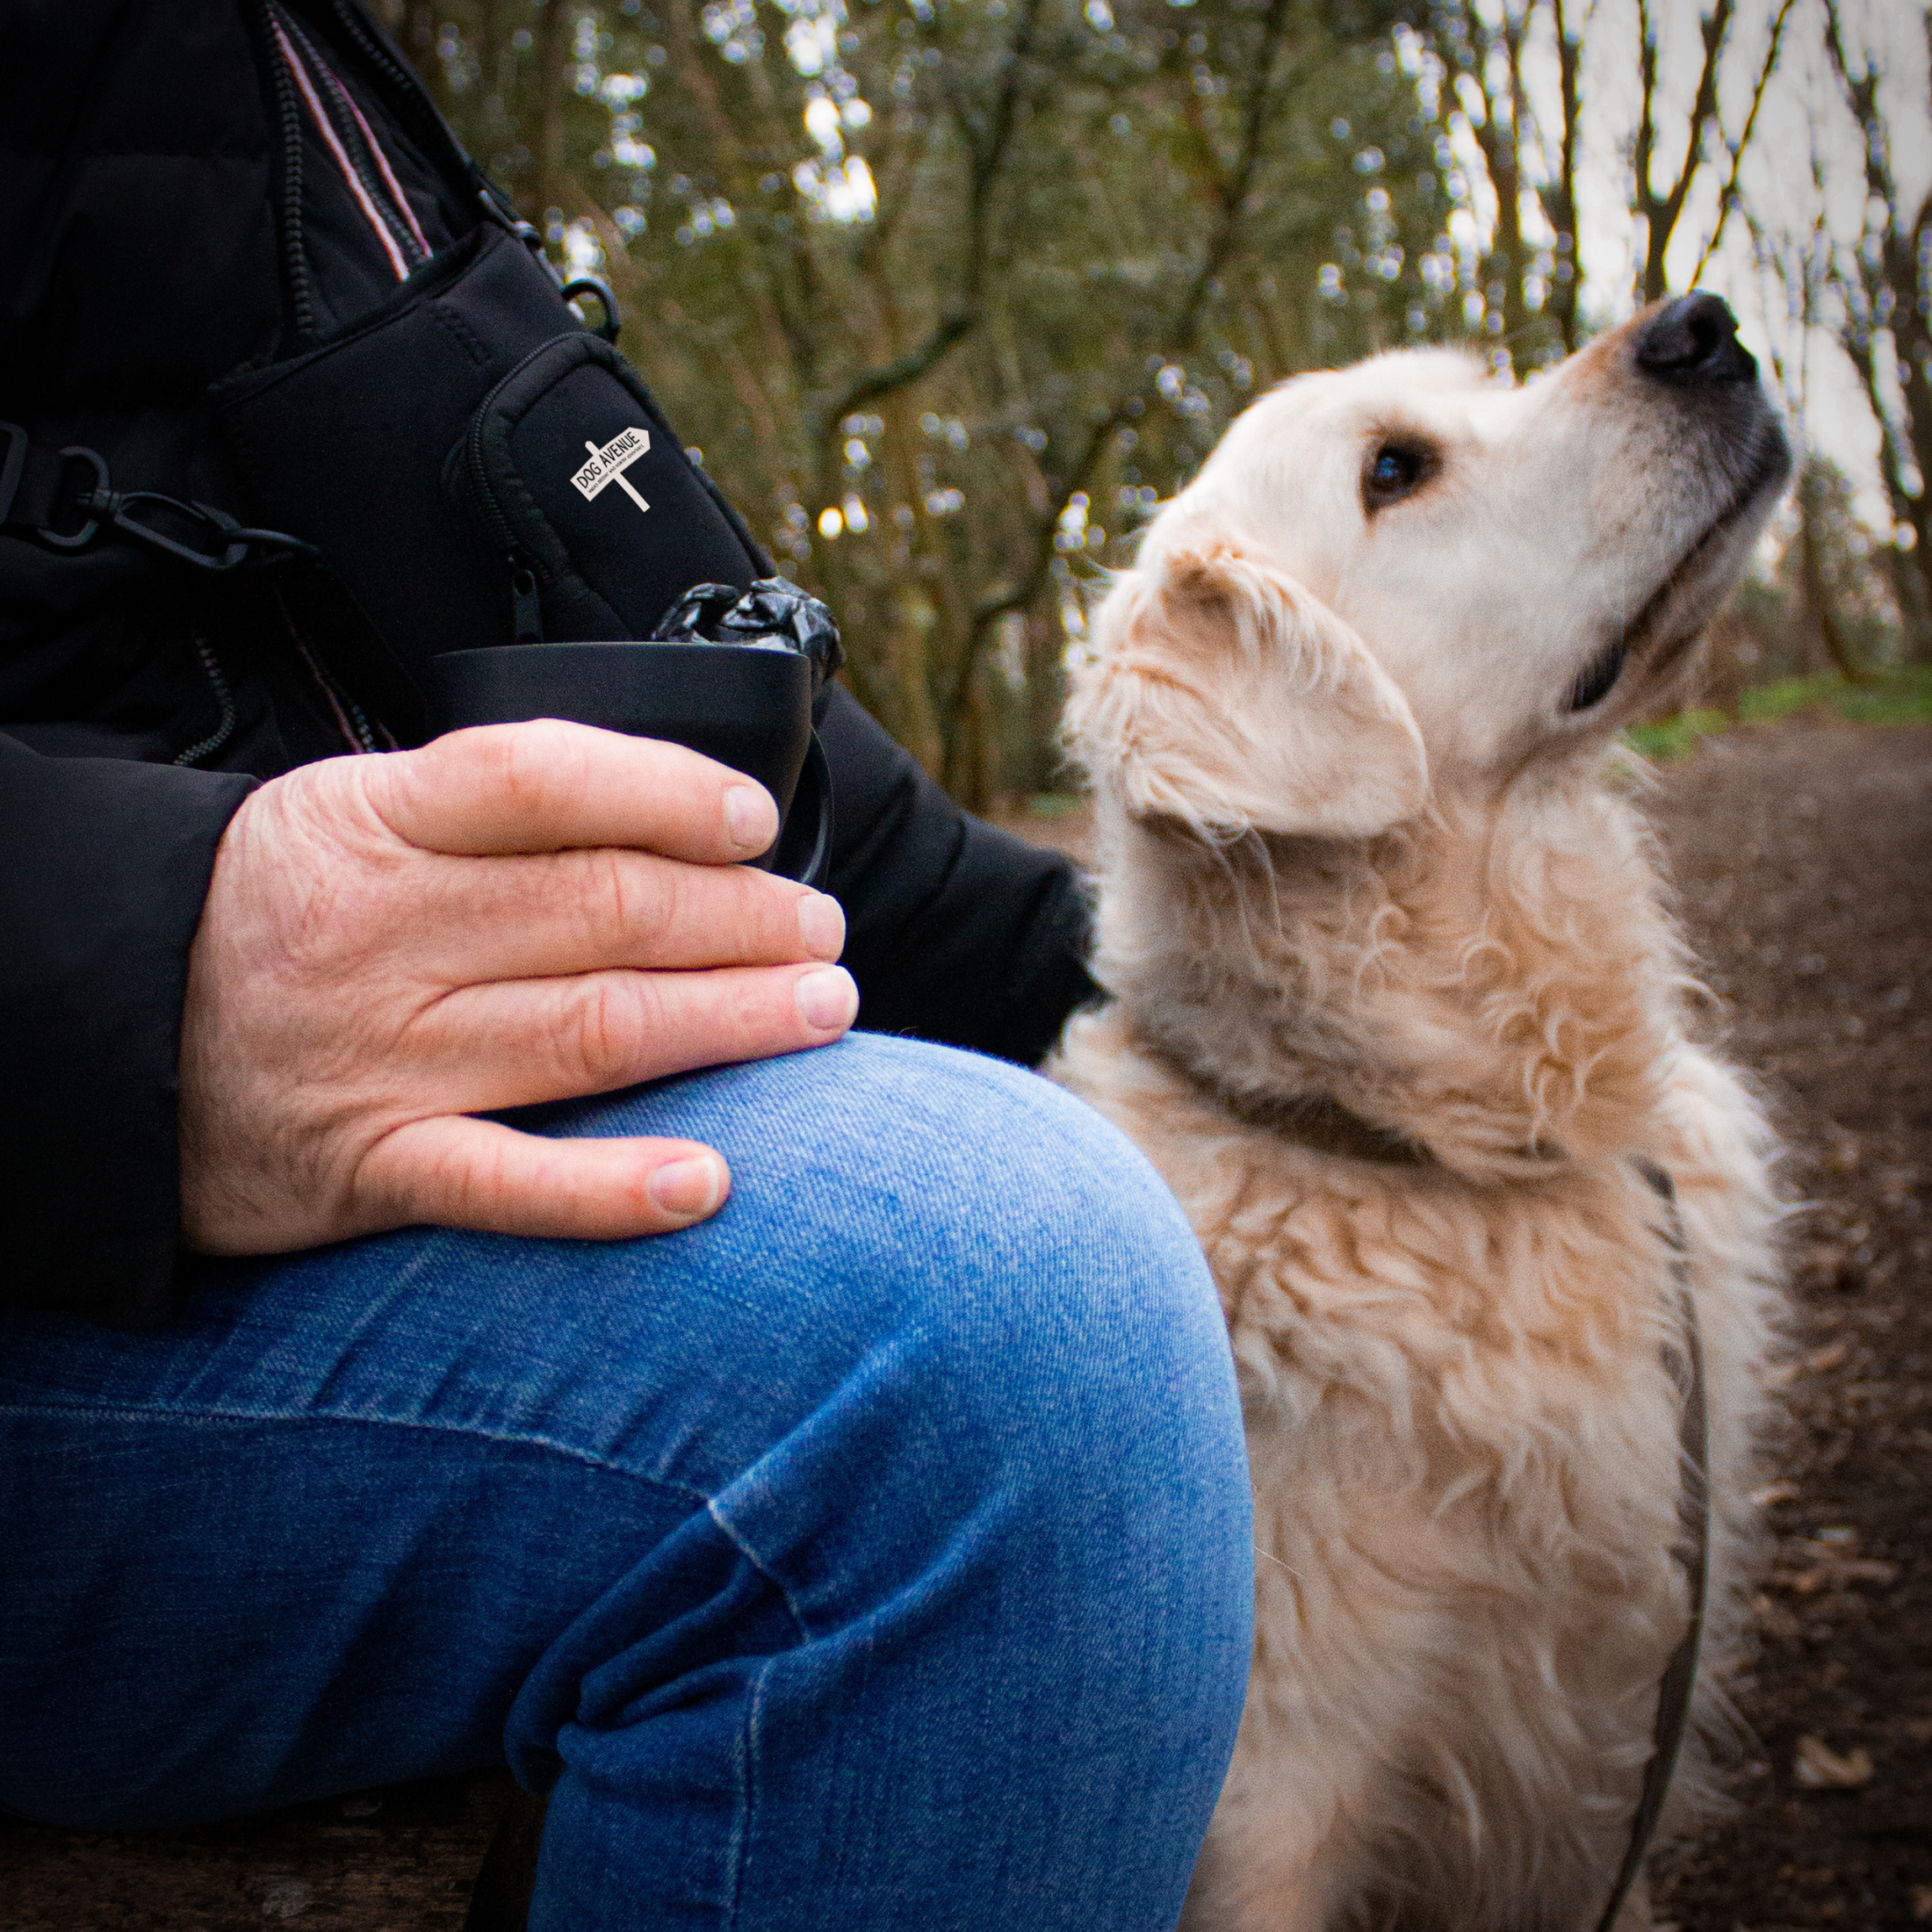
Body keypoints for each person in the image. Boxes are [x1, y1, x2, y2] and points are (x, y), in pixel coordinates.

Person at [0, 5, 1254, 1927]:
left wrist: (1218, 998)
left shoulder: (289, 94)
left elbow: (626, 590)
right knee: (983, 1326)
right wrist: (124, 969)